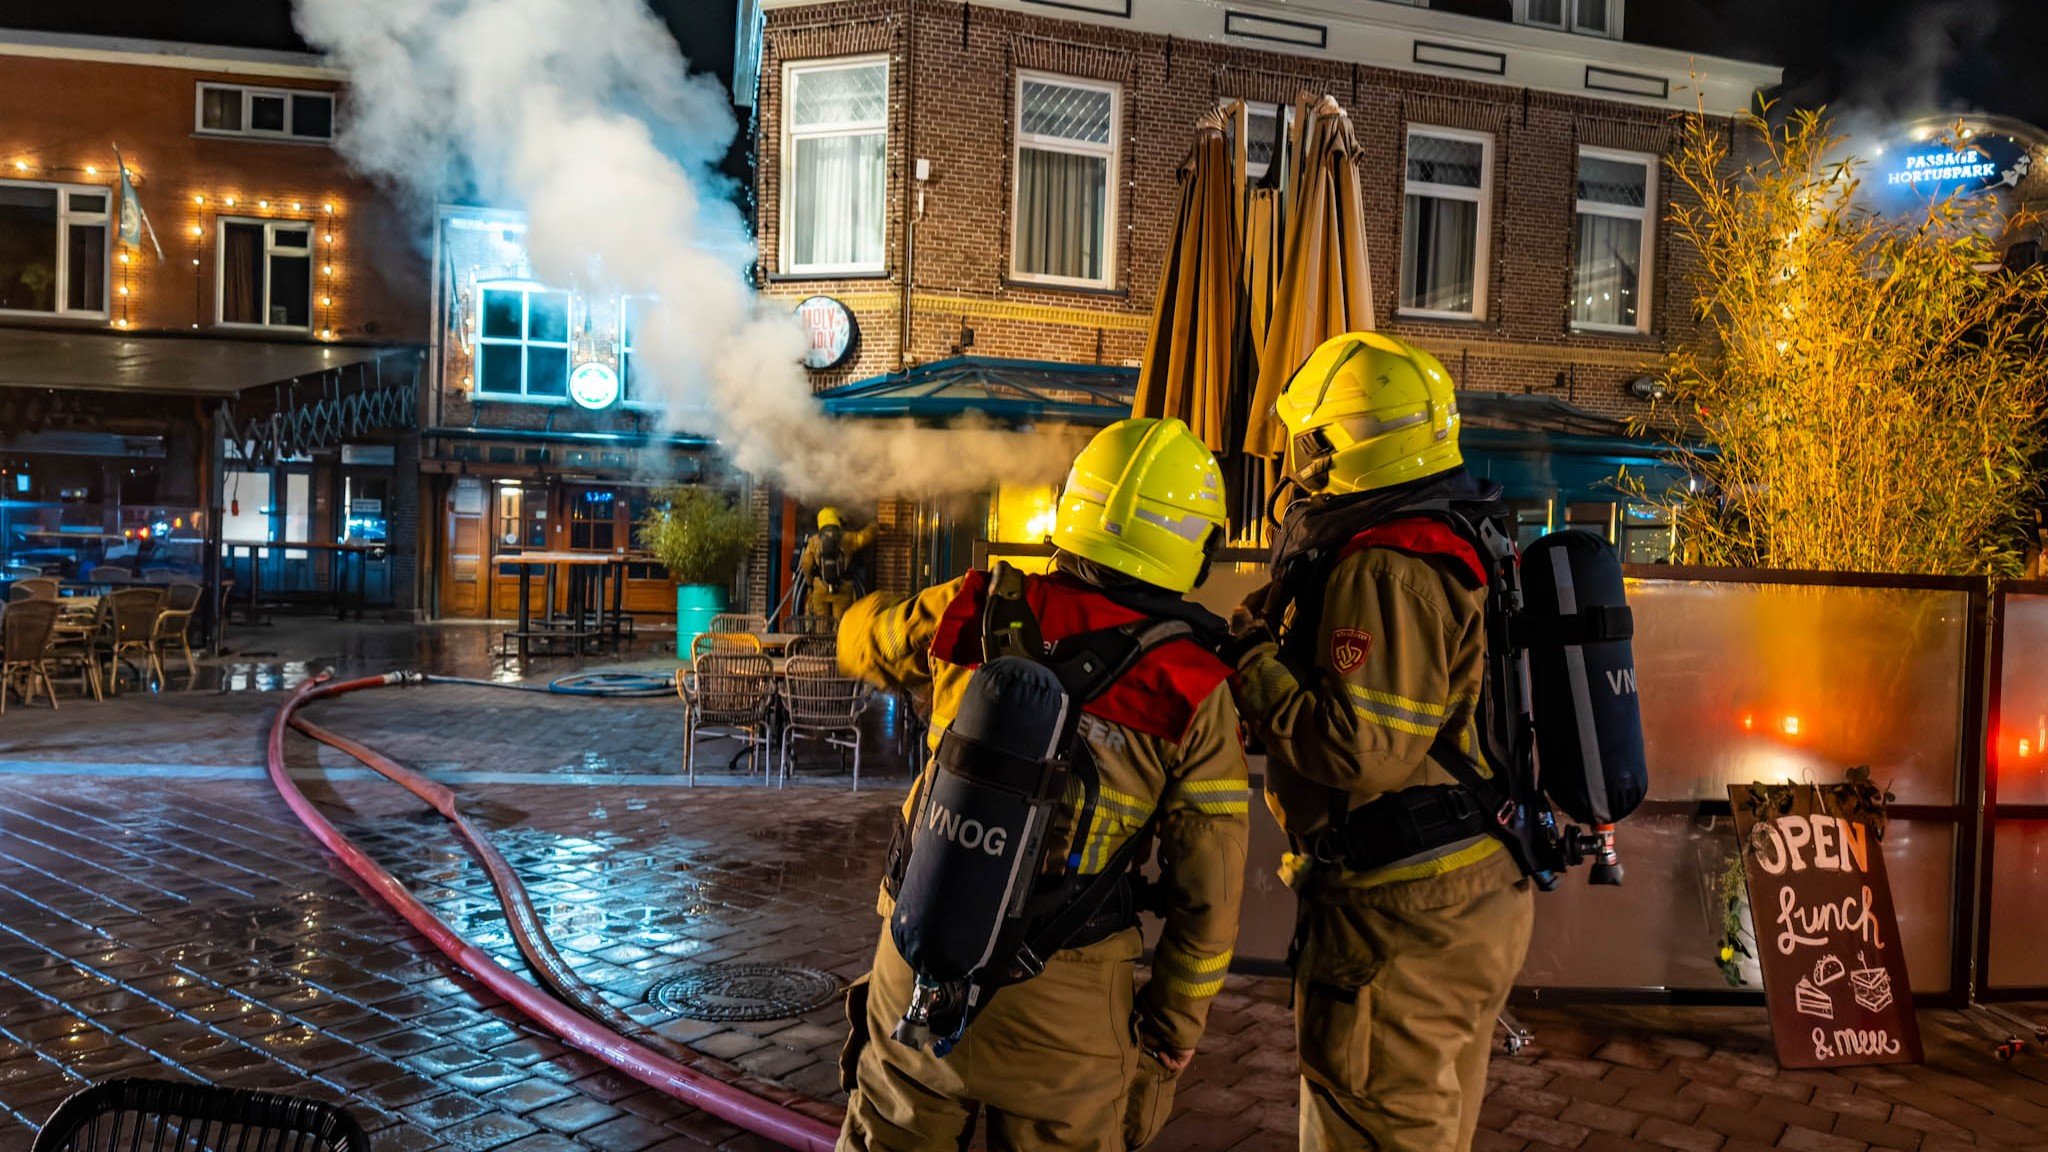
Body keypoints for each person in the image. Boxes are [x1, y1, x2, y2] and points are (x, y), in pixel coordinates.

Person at [836, 416, 1250, 1152]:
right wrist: (1174, 1023)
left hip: (920, 965)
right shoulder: (1192, 685)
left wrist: (855, 607)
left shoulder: (973, 605)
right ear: (1197, 545)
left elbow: (859, 643)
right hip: (1069, 1013)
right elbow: (1208, 896)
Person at [1225, 332, 1535, 1152]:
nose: (1302, 460)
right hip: (1464, 888)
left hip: (1402, 917)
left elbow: (1361, 751)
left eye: (1314, 441)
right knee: (1427, 1125)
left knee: (1373, 1126)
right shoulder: (1455, 528)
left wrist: (1251, 662)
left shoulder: (1386, 565)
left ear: (1349, 445)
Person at [800, 506, 876, 623]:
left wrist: (810, 584)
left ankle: (822, 640)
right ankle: (838, 641)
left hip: (820, 588)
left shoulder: (814, 541)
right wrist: (874, 526)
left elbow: (806, 564)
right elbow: (865, 537)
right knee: (841, 624)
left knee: (822, 624)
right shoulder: (848, 538)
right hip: (843, 589)